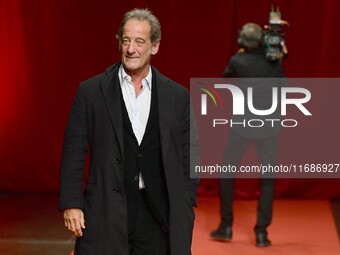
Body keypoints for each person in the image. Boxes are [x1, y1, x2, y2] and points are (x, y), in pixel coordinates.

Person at [59, 8, 199, 255]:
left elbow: (191, 153)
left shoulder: (177, 97)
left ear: (154, 47)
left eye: (139, 41)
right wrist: (72, 203)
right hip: (106, 210)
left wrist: (185, 202)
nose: (131, 48)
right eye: (126, 40)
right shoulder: (91, 92)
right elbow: (74, 151)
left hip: (159, 215)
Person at [210, 23, 285, 247]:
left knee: (227, 171)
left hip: (242, 125)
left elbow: (226, 76)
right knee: (268, 179)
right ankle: (261, 232)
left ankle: (226, 226)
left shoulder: (237, 61)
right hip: (270, 125)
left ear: (242, 42)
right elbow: (284, 85)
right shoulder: (274, 60)